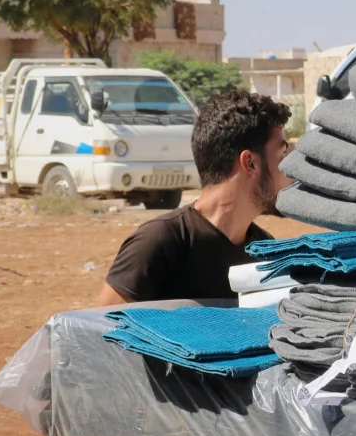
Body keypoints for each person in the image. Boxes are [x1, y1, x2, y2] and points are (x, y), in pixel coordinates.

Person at [95, 90, 294, 306]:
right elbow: (101, 324)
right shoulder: (160, 242)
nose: (292, 170)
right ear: (250, 163)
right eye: (283, 154)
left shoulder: (265, 250)